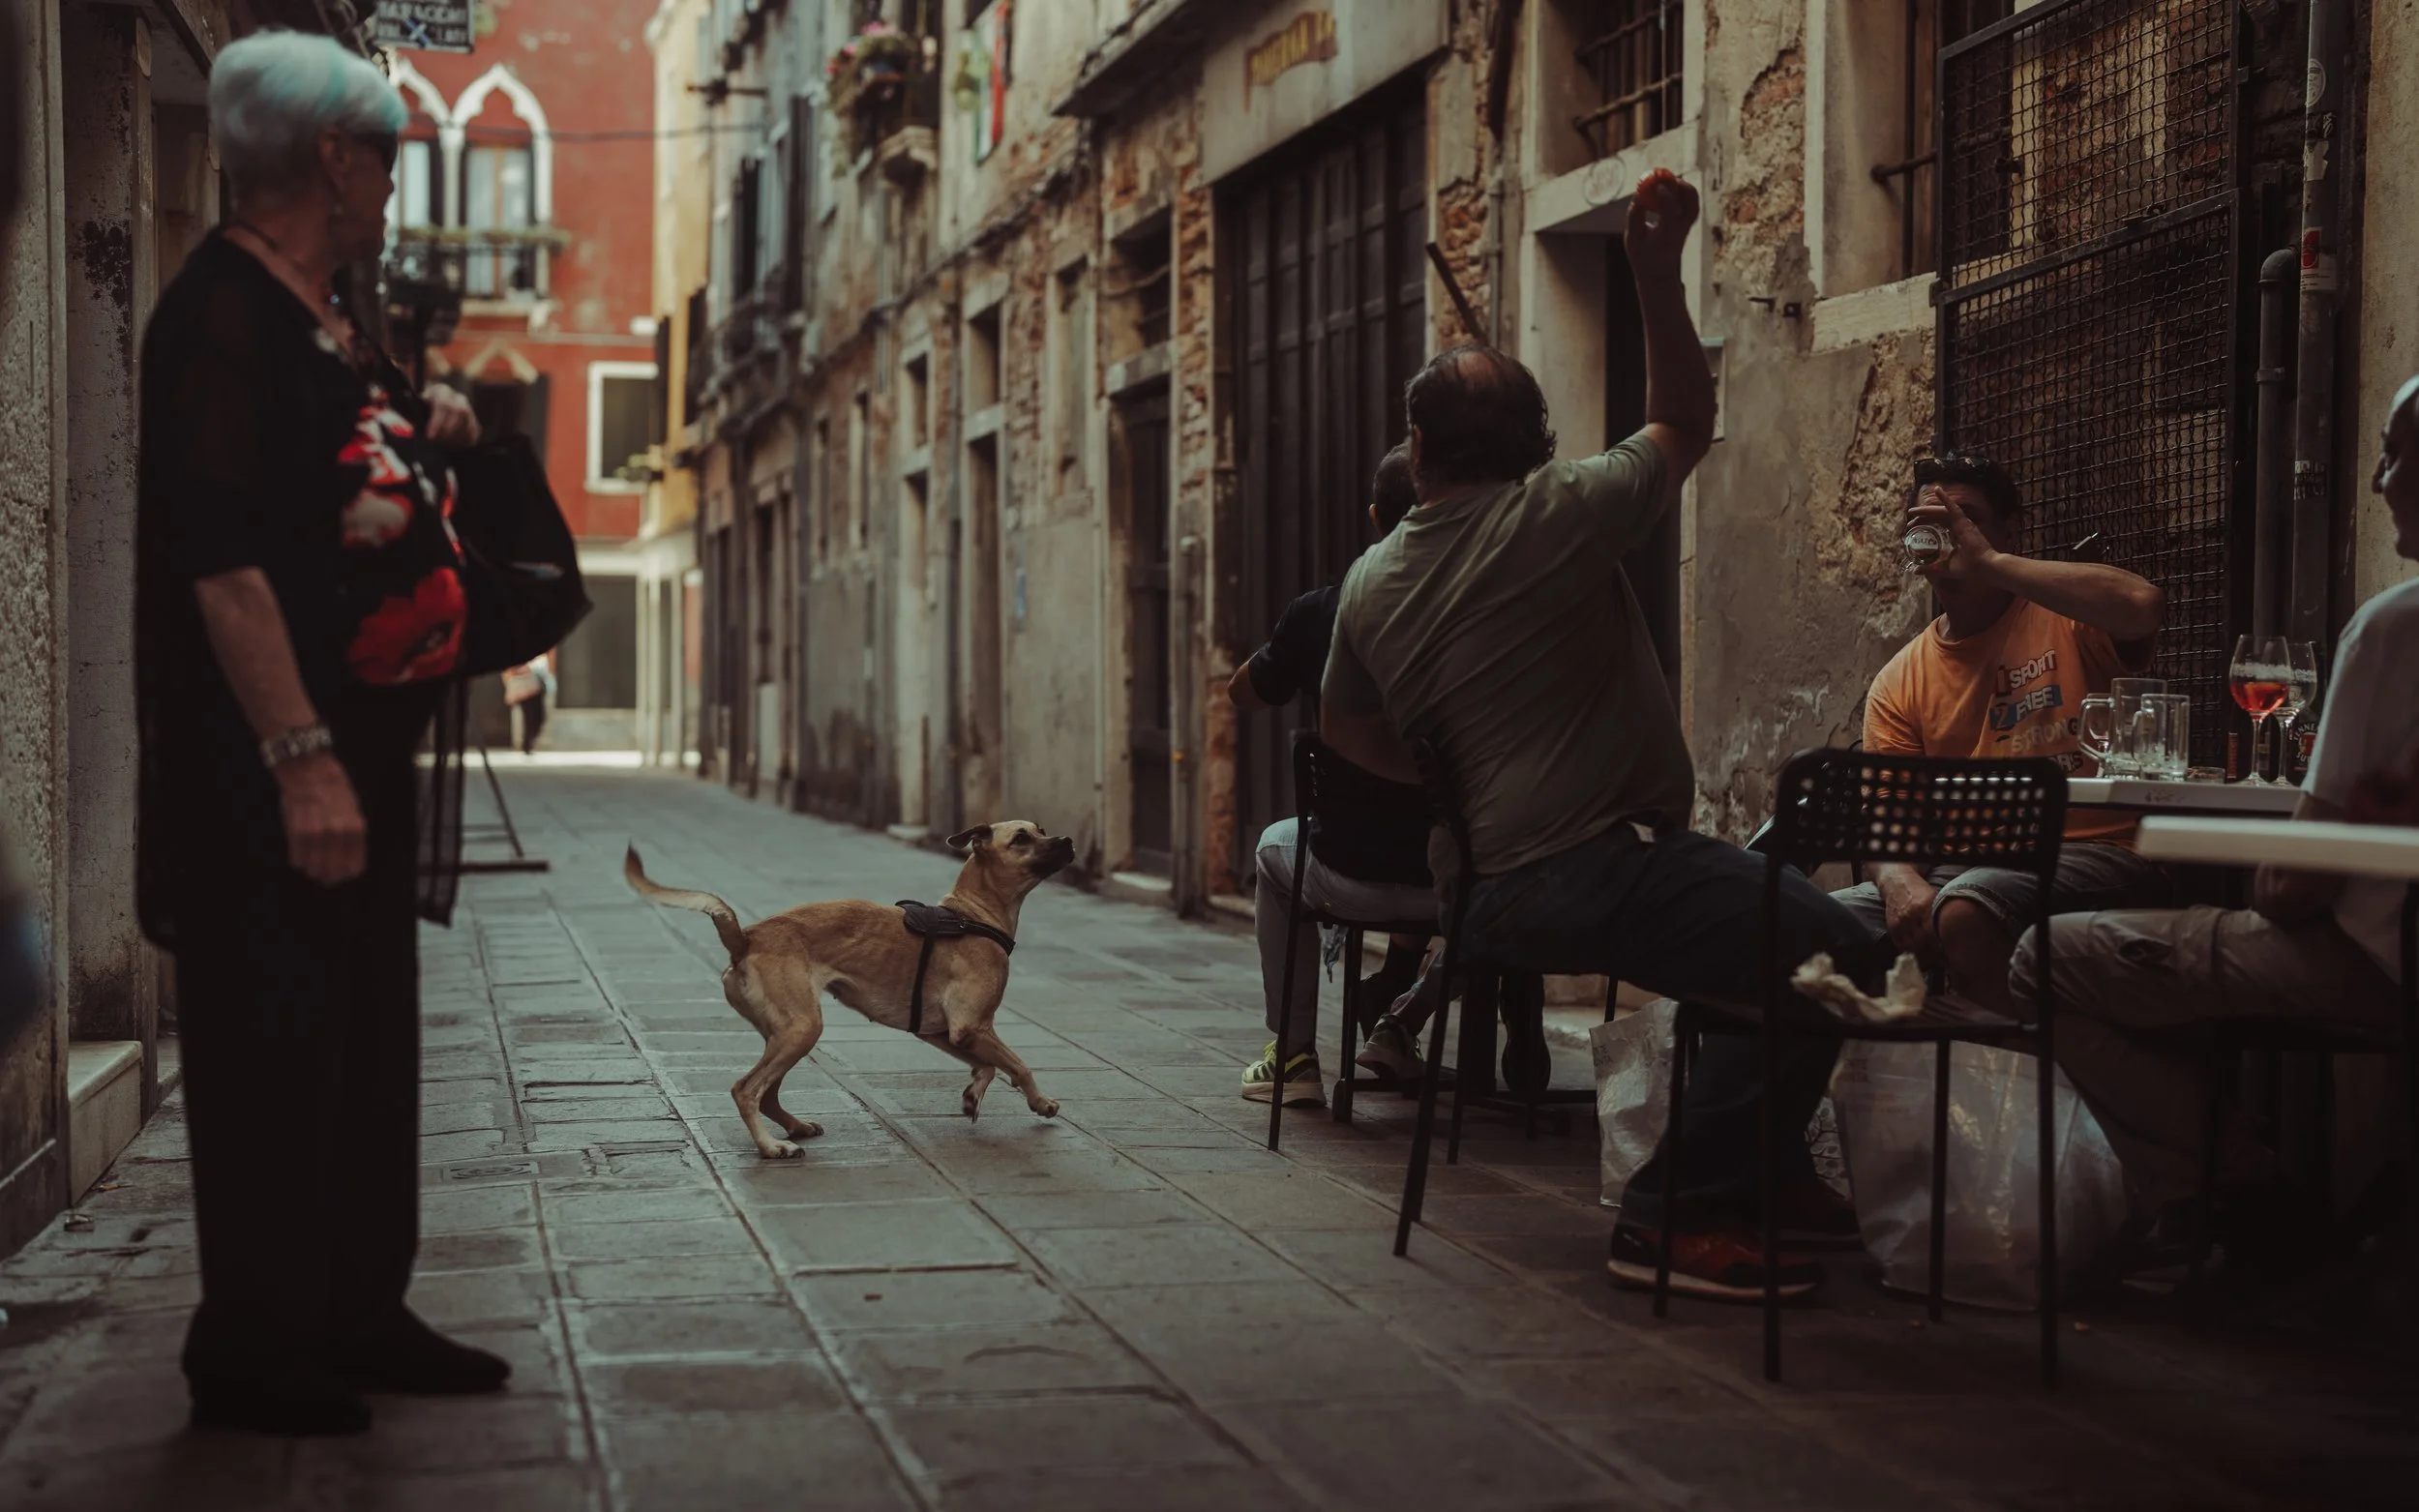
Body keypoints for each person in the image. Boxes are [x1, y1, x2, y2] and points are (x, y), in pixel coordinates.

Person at [1320, 170, 1880, 1301]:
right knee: (1835, 953)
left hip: (1481, 887)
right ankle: (1674, 1217)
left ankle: (1760, 1177)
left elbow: (1344, 729)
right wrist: (1649, 272)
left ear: (1418, 449)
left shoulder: (1368, 579)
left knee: (1753, 943)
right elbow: (1684, 414)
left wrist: (1450, 785)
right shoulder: (1563, 509)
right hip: (1593, 869)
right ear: (1533, 443)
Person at [135, 32, 504, 1436]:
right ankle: (253, 1342)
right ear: (335, 159)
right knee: (272, 1037)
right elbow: (223, 561)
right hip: (274, 768)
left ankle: (360, 1305)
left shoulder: (330, 313)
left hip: (363, 745)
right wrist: (300, 756)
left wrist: (432, 418)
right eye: (393, 156)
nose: (400, 187)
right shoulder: (221, 318)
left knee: (362, 1034)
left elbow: (352, 467)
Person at [2014, 374, 2419, 1268]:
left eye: (2396, 455)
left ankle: (2237, 1188)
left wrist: (2274, 872)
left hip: (2373, 965)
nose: (2381, 478)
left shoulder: (2396, 631)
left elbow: (2295, 884)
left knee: (2046, 959)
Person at [1836, 453, 2170, 1011]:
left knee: (1966, 908)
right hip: (1967, 865)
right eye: (1928, 520)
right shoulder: (1899, 680)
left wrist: (1990, 562)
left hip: (2099, 850)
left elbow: (2143, 606)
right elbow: (1890, 820)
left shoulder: (2062, 614)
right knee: (1810, 922)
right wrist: (1897, 883)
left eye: (1964, 517)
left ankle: (2022, 1081)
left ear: (2007, 530)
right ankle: (1901, 1080)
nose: (1945, 533)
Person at [1231, 445, 1442, 1104]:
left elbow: (1245, 693)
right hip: (1459, 883)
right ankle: (1402, 1017)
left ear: (1377, 517)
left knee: (1273, 850)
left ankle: (1294, 1056)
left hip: (1349, 872)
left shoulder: (1324, 609)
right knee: (1488, 863)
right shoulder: (1487, 616)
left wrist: (1291, 654)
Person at [506, 650, 556, 756]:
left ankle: (529, 742)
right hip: (525, 689)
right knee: (529, 717)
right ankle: (527, 744)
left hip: (537, 687)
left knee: (539, 716)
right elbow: (509, 671)